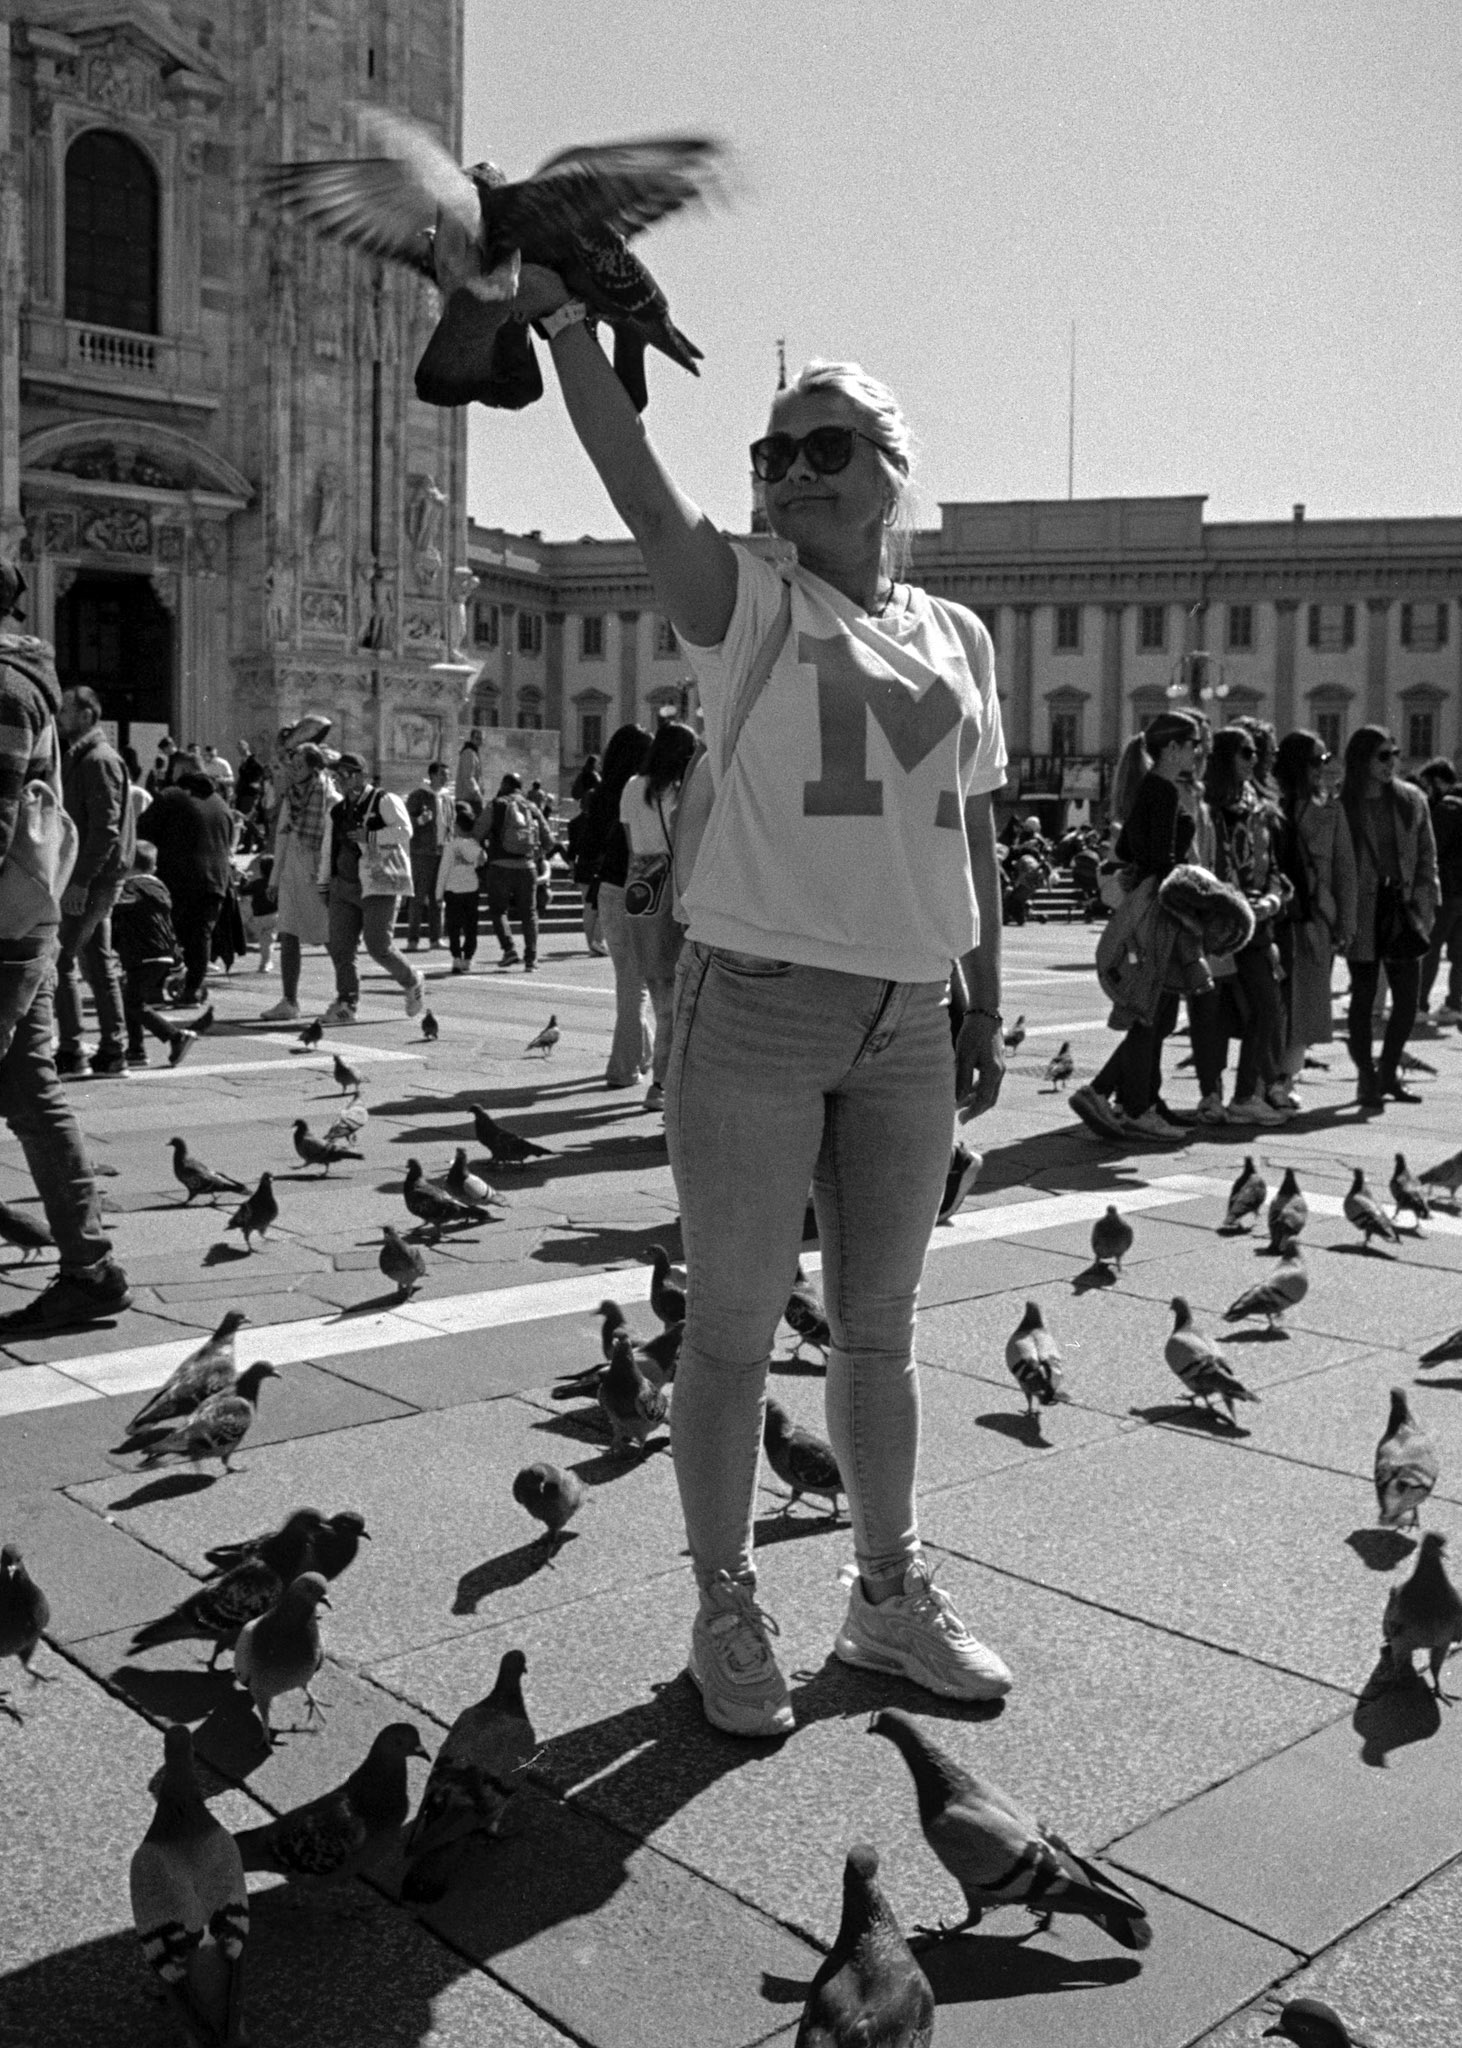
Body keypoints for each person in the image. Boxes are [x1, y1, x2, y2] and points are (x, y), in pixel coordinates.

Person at [516, 259, 1012, 1737]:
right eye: (772, 449)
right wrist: (560, 323)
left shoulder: (958, 636)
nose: (789, 469)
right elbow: (639, 489)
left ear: (891, 474)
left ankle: (884, 1594)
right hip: (759, 1004)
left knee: (878, 1328)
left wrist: (980, 995)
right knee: (731, 1328)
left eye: (823, 444)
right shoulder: (746, 601)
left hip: (907, 1018)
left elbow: (973, 825)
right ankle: (725, 1604)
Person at [0, 562, 131, 1335]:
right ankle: (89, 1267)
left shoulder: (6, 691)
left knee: (33, 1093)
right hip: (23, 922)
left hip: (7, 929)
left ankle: (88, 1264)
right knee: (29, 1091)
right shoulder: (25, 687)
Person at [1070, 711, 1204, 1143]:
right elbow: (1163, 861)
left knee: (1156, 1011)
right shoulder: (1162, 790)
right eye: (1193, 744)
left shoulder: (1149, 787)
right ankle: (1132, 1105)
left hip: (1144, 906)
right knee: (1153, 1010)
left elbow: (1128, 847)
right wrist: (1191, 894)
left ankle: (1138, 1098)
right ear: (1172, 748)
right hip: (1160, 910)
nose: (1197, 751)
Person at [1186, 726, 1292, 1126]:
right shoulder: (1207, 810)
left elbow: (1273, 866)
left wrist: (1273, 899)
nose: (1255, 760)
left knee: (1267, 1007)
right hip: (1217, 924)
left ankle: (1246, 1093)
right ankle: (1210, 1094)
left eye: (1255, 753)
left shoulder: (1259, 808)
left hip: (1257, 925)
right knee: (1208, 1012)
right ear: (1224, 758)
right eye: (1246, 752)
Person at [1340, 725, 1438, 1107]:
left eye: (1394, 754)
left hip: (1402, 904)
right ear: (1362, 759)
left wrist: (1426, 903)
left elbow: (1427, 855)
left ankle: (1388, 1070)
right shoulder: (1343, 803)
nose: (1391, 762)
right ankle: (1366, 1075)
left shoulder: (1411, 799)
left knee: (1407, 1000)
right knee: (1363, 997)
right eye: (1383, 756)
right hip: (1362, 908)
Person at [1271, 729, 1356, 1104]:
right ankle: (1268, 1079)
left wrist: (1346, 923)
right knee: (1276, 1002)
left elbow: (1345, 870)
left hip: (1316, 919)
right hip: (1280, 917)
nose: (1325, 766)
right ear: (1299, 766)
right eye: (1318, 760)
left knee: (1304, 1003)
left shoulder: (1331, 810)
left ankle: (1285, 1079)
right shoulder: (1273, 808)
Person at [54, 686, 134, 1079]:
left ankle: (72, 1051)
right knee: (98, 962)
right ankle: (113, 1050)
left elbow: (105, 829)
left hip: (94, 878)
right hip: (98, 875)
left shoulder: (97, 760)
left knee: (60, 959)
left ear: (87, 714)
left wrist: (80, 881)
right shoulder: (86, 757)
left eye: (66, 710)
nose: (59, 716)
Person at [619, 719, 697, 1110]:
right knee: (674, 1006)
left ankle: (663, 1084)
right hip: (672, 894)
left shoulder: (633, 787)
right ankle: (661, 1086)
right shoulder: (681, 790)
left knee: (658, 994)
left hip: (640, 893)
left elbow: (632, 844)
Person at [321, 753, 425, 1024]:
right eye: (335, 776)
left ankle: (412, 980)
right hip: (343, 885)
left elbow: (405, 831)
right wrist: (324, 882)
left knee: (378, 946)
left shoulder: (384, 800)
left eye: (342, 775)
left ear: (359, 776)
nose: (338, 780)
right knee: (341, 948)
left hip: (380, 884)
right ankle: (347, 1003)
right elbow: (328, 849)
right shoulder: (337, 810)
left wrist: (370, 836)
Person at [580, 723, 653, 1080]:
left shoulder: (601, 794)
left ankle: (643, 1053)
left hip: (608, 890)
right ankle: (622, 1068)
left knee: (628, 981)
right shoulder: (645, 793)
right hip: (638, 891)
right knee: (635, 986)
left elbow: (588, 848)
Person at [137, 750, 235, 1006]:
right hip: (216, 881)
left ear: (181, 770)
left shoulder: (171, 796)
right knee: (200, 936)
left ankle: (155, 987)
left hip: (177, 880)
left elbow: (142, 831)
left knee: (163, 934)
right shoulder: (220, 803)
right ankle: (192, 990)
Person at [260, 735, 336, 1022]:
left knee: (329, 937)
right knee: (288, 933)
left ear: (314, 769)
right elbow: (281, 839)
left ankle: (347, 994)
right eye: (292, 765)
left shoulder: (330, 799)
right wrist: (274, 878)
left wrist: (326, 878)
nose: (293, 770)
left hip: (317, 875)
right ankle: (289, 1001)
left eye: (299, 766)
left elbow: (333, 843)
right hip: (292, 871)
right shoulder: (291, 797)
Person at [112, 842, 195, 1069]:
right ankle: (136, 1050)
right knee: (131, 1000)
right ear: (154, 867)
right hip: (162, 953)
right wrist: (178, 962)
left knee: (133, 1003)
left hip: (142, 951)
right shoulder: (159, 889)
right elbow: (167, 926)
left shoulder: (131, 888)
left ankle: (175, 1036)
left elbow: (113, 905)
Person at [475, 771, 547, 971]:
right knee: (529, 913)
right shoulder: (531, 806)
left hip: (500, 866)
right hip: (527, 867)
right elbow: (548, 839)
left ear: (504, 785)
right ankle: (531, 959)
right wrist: (536, 853)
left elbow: (478, 832)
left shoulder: (496, 805)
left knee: (498, 910)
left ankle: (509, 950)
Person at [1417, 756, 1462, 1024]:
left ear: (1436, 781)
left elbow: (1432, 848)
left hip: (1448, 889)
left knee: (1430, 947)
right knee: (1459, 953)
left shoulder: (1446, 809)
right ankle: (1454, 1004)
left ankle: (1419, 1004)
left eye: (1427, 785)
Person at [404, 759, 452, 951]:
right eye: (442, 774)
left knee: (437, 897)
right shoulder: (418, 796)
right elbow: (405, 822)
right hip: (422, 852)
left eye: (447, 775)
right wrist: (419, 821)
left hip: (442, 852)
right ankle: (413, 939)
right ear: (432, 775)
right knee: (418, 896)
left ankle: (436, 938)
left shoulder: (447, 798)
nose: (446, 778)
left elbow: (451, 823)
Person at [435, 801, 486, 971]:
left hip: (453, 890)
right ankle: (468, 957)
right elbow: (481, 862)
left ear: (456, 827)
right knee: (471, 926)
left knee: (454, 926)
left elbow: (443, 871)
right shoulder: (476, 846)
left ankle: (456, 957)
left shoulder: (451, 846)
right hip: (471, 889)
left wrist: (438, 894)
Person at [455, 727, 484, 812]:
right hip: (468, 799)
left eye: (481, 739)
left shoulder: (474, 753)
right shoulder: (469, 753)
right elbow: (468, 776)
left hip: (470, 798)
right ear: (471, 739)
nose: (479, 741)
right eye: (477, 738)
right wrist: (477, 792)